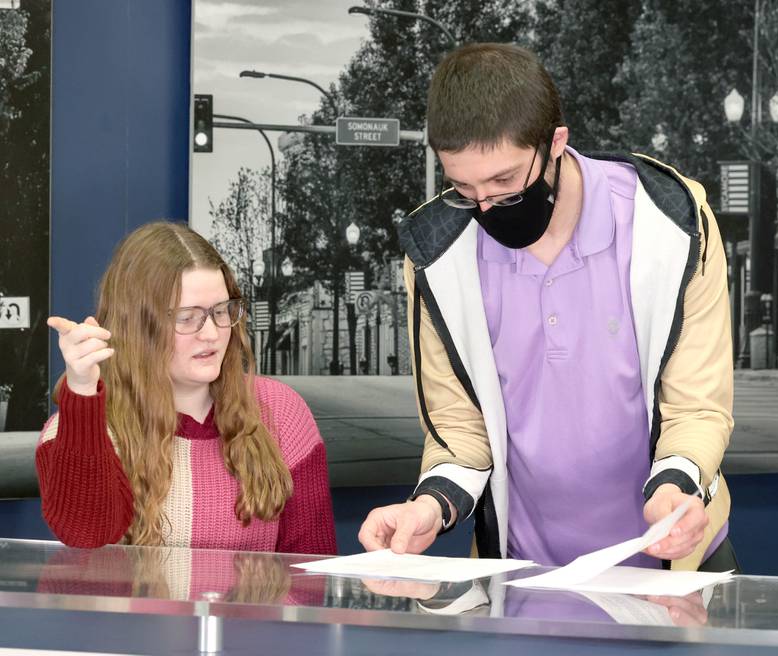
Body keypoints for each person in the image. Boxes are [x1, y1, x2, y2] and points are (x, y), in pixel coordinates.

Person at [359, 43, 737, 572]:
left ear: (556, 142)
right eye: (463, 187)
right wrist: (429, 506)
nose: (486, 206)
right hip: (523, 577)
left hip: (673, 568)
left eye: (505, 181)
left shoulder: (672, 222)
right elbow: (458, 427)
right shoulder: (436, 254)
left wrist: (677, 486)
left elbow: (697, 405)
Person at [37, 221, 336, 554]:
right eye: (187, 317)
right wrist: (81, 393)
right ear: (138, 325)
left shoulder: (281, 412)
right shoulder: (70, 431)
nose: (211, 333)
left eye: (221, 311)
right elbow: (86, 534)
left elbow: (312, 572)